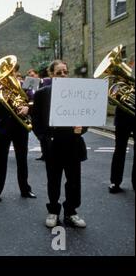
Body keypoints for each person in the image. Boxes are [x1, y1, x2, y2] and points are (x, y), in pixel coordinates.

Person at [32, 60, 87, 228]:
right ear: (51, 74)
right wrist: (43, 138)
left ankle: (71, 212)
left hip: (73, 142)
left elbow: (86, 114)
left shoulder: (77, 92)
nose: (63, 75)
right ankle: (53, 211)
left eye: (65, 72)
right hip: (53, 144)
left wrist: (82, 128)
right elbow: (36, 120)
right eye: (59, 73)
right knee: (53, 180)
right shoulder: (42, 94)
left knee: (74, 181)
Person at [0, 63, 36, 202]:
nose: (11, 74)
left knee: (22, 159)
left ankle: (25, 189)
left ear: (16, 71)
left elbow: (33, 101)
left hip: (20, 126)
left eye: (13, 71)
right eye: (9, 72)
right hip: (3, 127)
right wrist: (3, 99)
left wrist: (27, 108)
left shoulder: (25, 85)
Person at [109, 106, 134, 193]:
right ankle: (115, 182)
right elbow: (113, 95)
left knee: (119, 150)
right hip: (122, 115)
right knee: (119, 149)